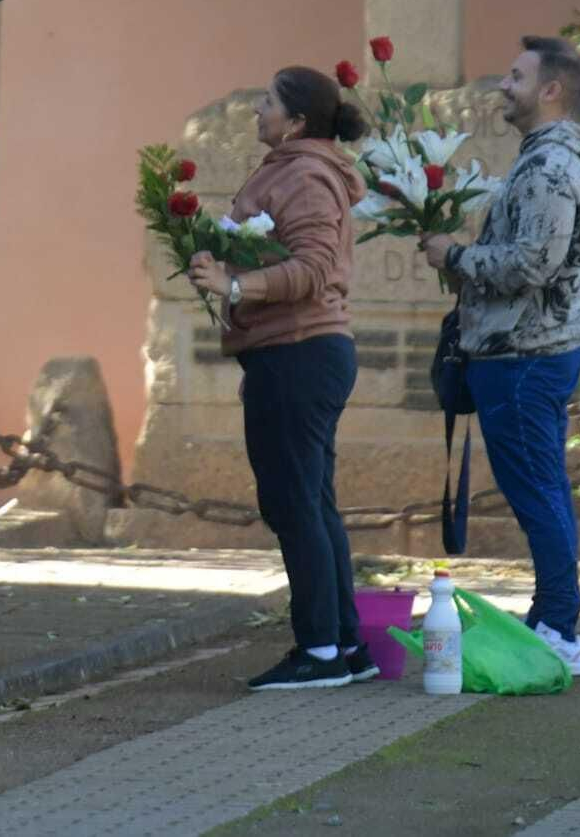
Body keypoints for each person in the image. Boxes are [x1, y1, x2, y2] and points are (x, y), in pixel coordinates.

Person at [420, 36, 580, 677]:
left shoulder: (552, 167)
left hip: (525, 356)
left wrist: (455, 256)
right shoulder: (540, 161)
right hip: (521, 351)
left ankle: (559, 627)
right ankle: (553, 619)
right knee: (543, 488)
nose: (503, 85)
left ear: (551, 89)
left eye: (516, 76)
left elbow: (532, 264)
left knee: (536, 492)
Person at [189, 65, 372, 691]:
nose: (256, 110)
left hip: (301, 353)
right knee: (311, 502)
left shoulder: (306, 174)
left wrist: (238, 284)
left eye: (266, 102)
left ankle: (319, 651)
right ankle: (346, 645)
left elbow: (316, 267)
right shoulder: (296, 169)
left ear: (296, 121)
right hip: (292, 353)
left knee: (295, 503)